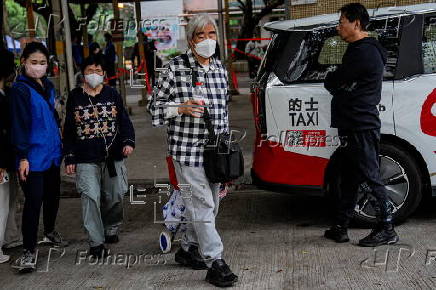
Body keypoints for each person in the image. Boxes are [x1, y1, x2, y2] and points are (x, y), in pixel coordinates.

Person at [151, 14, 238, 287]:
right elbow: (154, 111)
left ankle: (188, 248)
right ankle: (215, 262)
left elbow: (224, 112)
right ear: (191, 41)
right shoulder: (173, 69)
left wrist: (226, 147)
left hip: (215, 153)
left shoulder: (221, 70)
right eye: (201, 36)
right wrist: (180, 108)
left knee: (210, 205)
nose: (208, 41)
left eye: (212, 34)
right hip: (186, 152)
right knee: (203, 205)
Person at [323, 3, 399, 247]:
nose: (338, 27)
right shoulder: (362, 49)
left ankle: (387, 227)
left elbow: (335, 80)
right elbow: (340, 82)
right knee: (348, 176)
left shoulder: (363, 51)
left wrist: (334, 78)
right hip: (353, 123)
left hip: (360, 124)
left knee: (370, 175)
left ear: (356, 23)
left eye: (342, 21)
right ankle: (341, 226)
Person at [63, 54, 135, 258]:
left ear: (104, 74)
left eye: (98, 71)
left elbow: (124, 122)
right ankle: (96, 242)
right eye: (89, 71)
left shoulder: (113, 94)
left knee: (116, 195)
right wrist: (69, 155)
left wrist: (128, 142)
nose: (93, 75)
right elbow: (68, 129)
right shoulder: (75, 97)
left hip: (113, 157)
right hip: (85, 157)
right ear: (82, 73)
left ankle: (111, 227)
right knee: (90, 197)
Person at [9, 42, 67, 272]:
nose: (38, 67)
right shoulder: (19, 90)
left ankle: (50, 232)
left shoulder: (48, 86)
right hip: (31, 156)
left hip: (52, 153)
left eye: (42, 63)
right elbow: (18, 125)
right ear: (23, 62)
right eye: (34, 63)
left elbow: (53, 115)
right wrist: (22, 156)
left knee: (53, 195)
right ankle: (28, 250)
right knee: (33, 202)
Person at [0, 48, 21, 264]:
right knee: (2, 204)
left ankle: (10, 237)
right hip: (2, 163)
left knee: (7, 202)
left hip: (7, 161)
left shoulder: (6, 93)